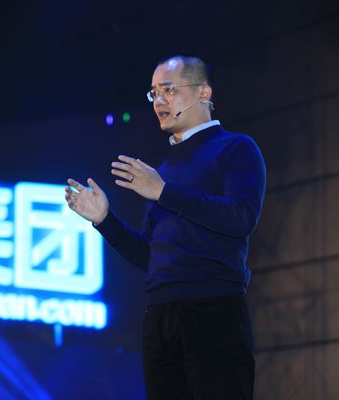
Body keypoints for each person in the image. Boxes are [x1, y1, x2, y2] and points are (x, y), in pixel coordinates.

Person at [65, 55, 266, 399]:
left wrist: (163, 191)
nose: (159, 101)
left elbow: (241, 218)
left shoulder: (236, 149)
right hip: (160, 316)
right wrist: (105, 220)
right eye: (154, 93)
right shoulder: (165, 171)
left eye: (169, 90)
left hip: (213, 310)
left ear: (203, 92)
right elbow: (152, 257)